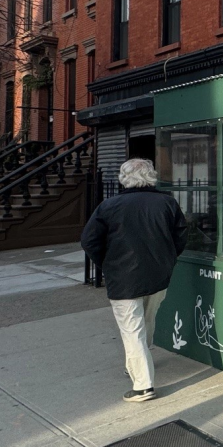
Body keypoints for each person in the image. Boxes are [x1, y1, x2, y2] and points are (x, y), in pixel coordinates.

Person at [81, 158, 188, 402]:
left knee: (132, 330)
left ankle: (143, 386)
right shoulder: (167, 203)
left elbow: (89, 240)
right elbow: (181, 236)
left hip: (124, 278)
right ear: (151, 176)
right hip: (158, 273)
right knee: (147, 321)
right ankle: (140, 361)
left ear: (124, 177)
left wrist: (107, 264)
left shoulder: (109, 206)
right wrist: (168, 258)